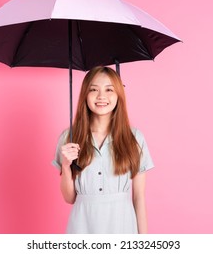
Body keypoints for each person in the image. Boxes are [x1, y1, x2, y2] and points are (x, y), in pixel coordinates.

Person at [52, 66, 154, 234]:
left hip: (122, 226)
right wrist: (65, 165)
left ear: (119, 95)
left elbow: (139, 198)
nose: (101, 97)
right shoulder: (68, 138)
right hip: (82, 226)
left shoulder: (134, 138)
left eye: (109, 90)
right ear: (85, 94)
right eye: (93, 90)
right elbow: (69, 198)